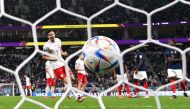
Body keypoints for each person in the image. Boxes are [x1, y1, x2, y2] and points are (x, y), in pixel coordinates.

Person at [42, 30, 75, 97]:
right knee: (66, 80)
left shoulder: (58, 40)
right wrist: (53, 59)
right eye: (50, 35)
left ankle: (65, 89)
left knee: (72, 78)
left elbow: (60, 50)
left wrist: (63, 53)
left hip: (63, 62)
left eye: (53, 34)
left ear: (54, 34)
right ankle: (76, 96)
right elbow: (44, 57)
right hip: (55, 65)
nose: (52, 36)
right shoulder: (46, 46)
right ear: (48, 36)